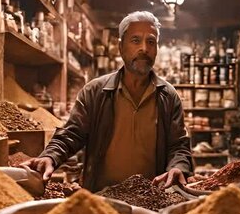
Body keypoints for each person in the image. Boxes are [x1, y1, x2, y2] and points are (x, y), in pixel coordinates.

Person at [22, 11, 192, 192]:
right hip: (102, 197)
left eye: (151, 42)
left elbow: (179, 145)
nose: (144, 48)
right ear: (121, 47)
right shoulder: (95, 92)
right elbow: (73, 134)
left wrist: (178, 167)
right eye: (135, 40)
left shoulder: (168, 96)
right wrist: (50, 156)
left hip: (152, 198)